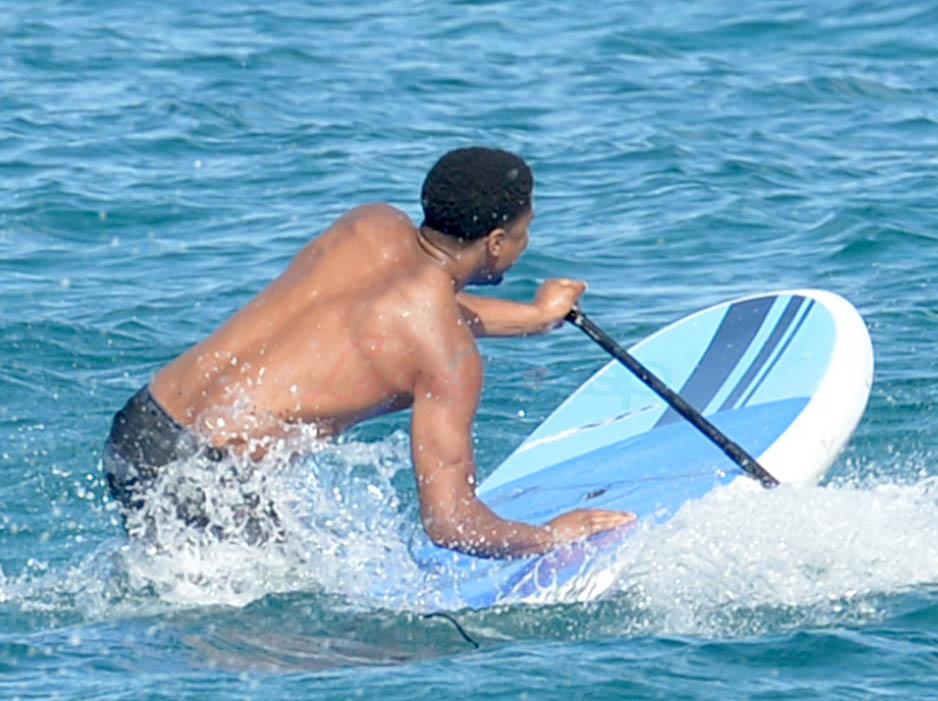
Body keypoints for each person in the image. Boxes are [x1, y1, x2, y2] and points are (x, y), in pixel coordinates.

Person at [103, 146, 635, 556]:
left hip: (142, 426)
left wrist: (535, 317)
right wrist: (550, 537)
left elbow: (400, 309)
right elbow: (452, 523)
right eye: (524, 231)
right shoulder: (448, 358)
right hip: (209, 482)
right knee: (306, 650)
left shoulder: (368, 224)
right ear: (495, 241)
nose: (526, 243)